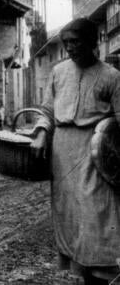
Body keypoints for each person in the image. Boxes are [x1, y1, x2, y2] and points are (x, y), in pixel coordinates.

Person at [31, 17, 120, 285]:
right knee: (71, 216)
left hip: (95, 154)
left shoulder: (111, 77)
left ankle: (103, 275)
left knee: (97, 213)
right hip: (63, 153)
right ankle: (85, 274)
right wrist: (41, 132)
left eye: (75, 42)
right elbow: (47, 111)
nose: (70, 47)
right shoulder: (58, 73)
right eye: (66, 42)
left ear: (92, 42)